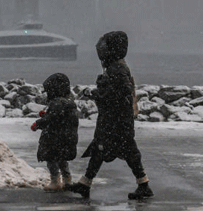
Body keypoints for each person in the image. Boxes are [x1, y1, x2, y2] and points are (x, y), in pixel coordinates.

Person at [65, 31, 153, 200]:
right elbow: (117, 91)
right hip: (116, 119)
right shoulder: (116, 66)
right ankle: (86, 183)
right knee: (106, 149)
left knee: (114, 149)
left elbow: (120, 91)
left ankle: (143, 185)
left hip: (116, 120)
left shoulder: (117, 68)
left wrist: (96, 94)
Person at [30, 72, 80, 192]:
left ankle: (55, 182)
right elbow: (60, 118)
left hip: (54, 139)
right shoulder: (69, 102)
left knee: (51, 160)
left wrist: (38, 123)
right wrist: (47, 114)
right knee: (62, 160)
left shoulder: (57, 103)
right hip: (65, 138)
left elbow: (51, 120)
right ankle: (68, 181)